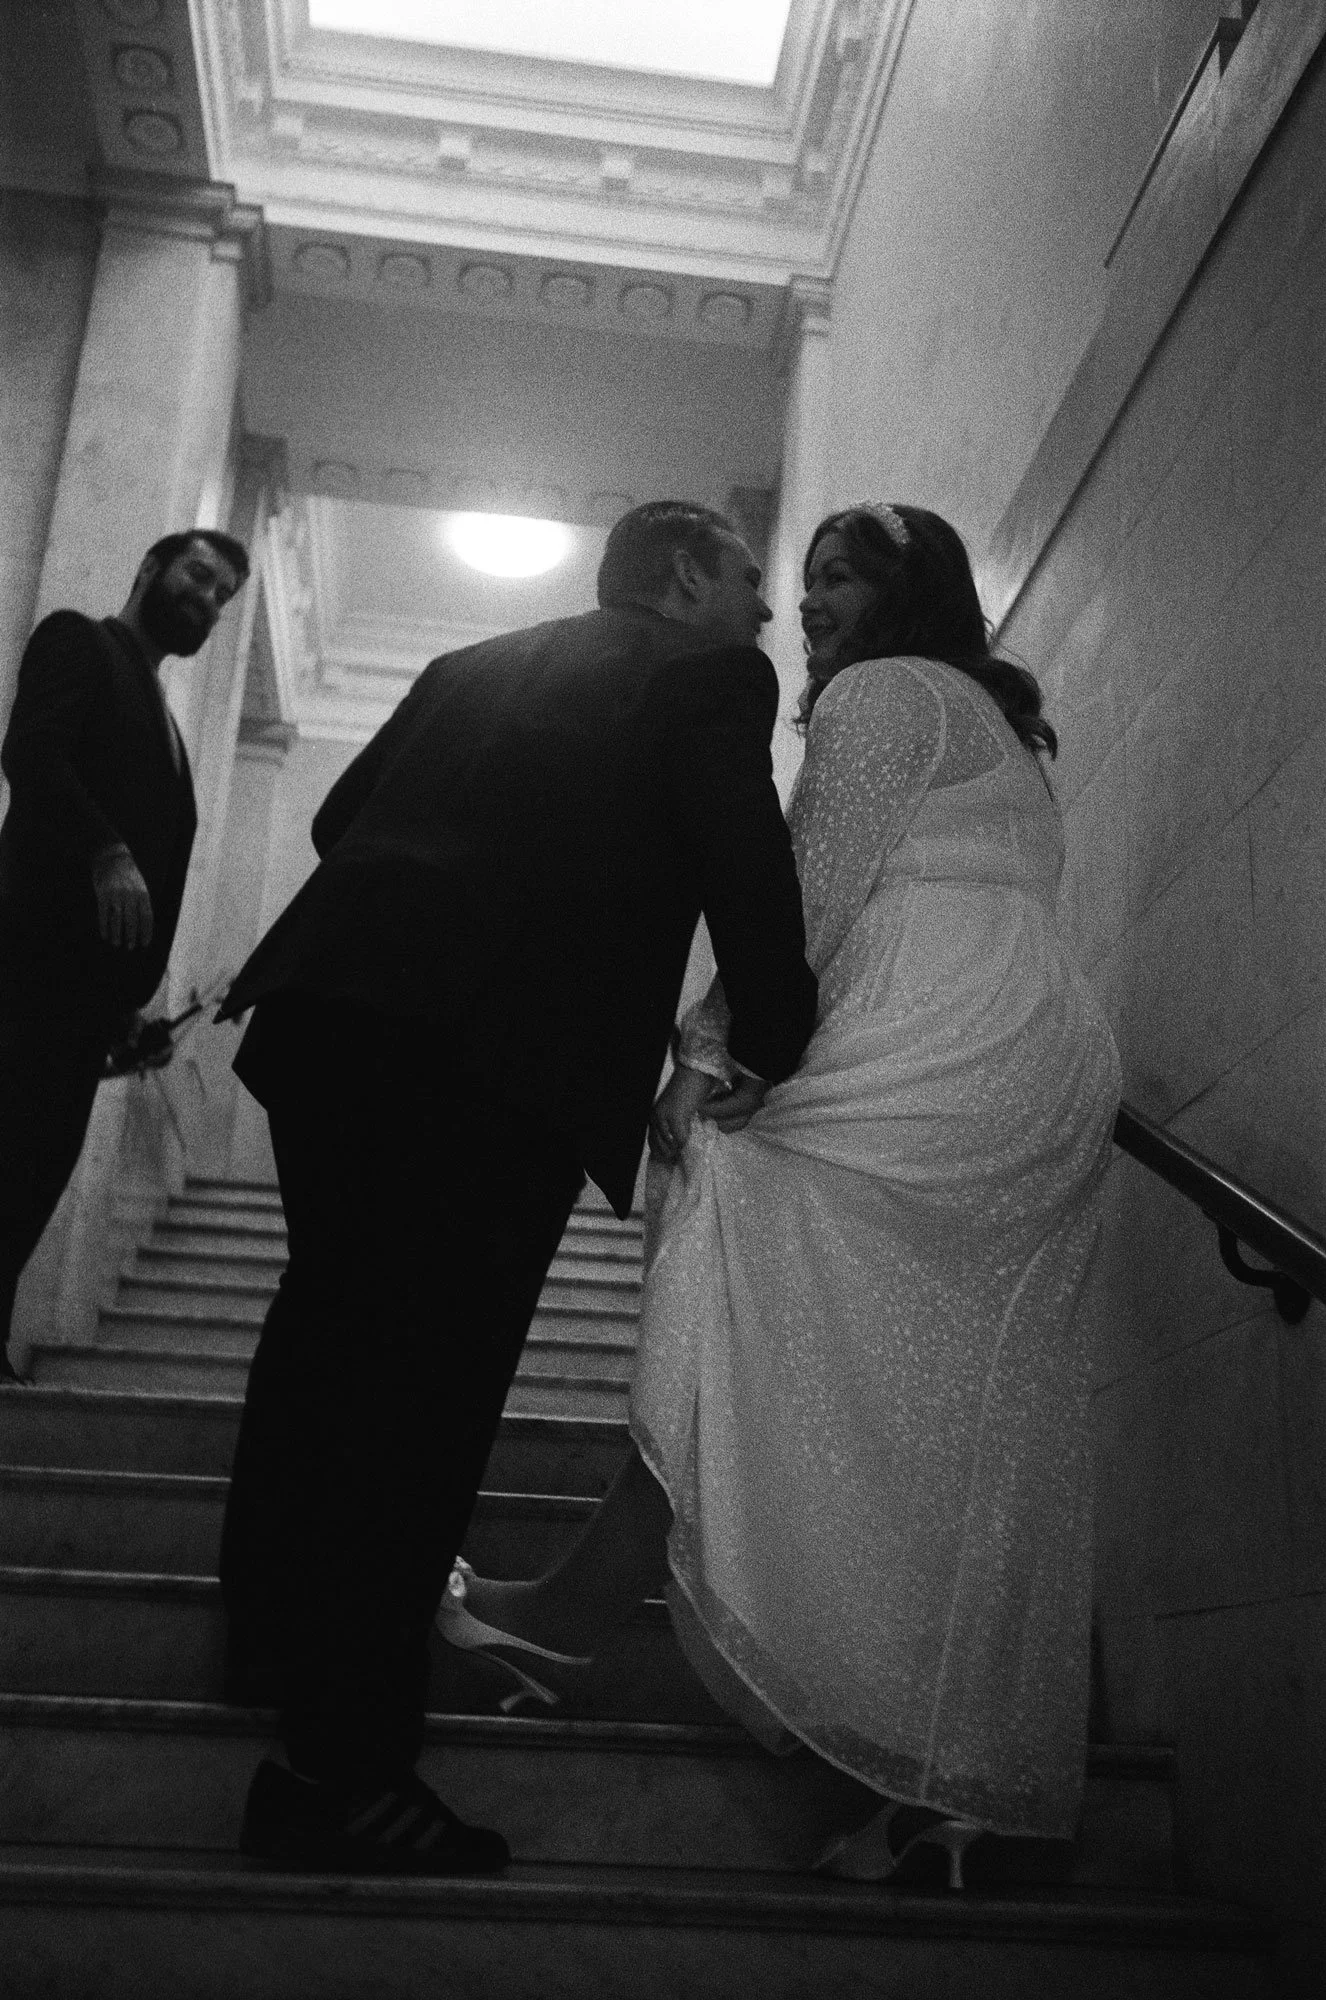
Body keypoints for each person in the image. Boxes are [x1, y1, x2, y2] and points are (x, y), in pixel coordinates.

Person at [441, 502, 1122, 1887]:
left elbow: (801, 897)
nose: (810, 602)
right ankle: (945, 1775)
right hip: (1027, 1056)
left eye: (841, 578)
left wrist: (698, 1054)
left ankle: (578, 1618)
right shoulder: (982, 721)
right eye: (802, 579)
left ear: (907, 593)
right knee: (945, 1431)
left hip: (937, 1050)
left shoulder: (880, 698)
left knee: (730, 1228)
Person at [216, 501, 818, 1876]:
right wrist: (766, 1040)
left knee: (322, 1346)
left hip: (329, 1017)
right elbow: (743, 860)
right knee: (419, 1402)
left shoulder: (470, 666)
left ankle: (268, 1648)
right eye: (745, 581)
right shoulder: (711, 676)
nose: (763, 612)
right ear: (681, 577)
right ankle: (342, 1774)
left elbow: (334, 816)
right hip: (496, 1056)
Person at [0, 530, 249, 1381]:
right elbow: (30, 753)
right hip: (22, 972)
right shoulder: (82, 641)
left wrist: (128, 1009)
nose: (208, 600)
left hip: (80, 1007)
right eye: (199, 577)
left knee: (31, 1175)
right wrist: (106, 849)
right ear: (149, 567)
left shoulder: (166, 718)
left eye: (223, 596)